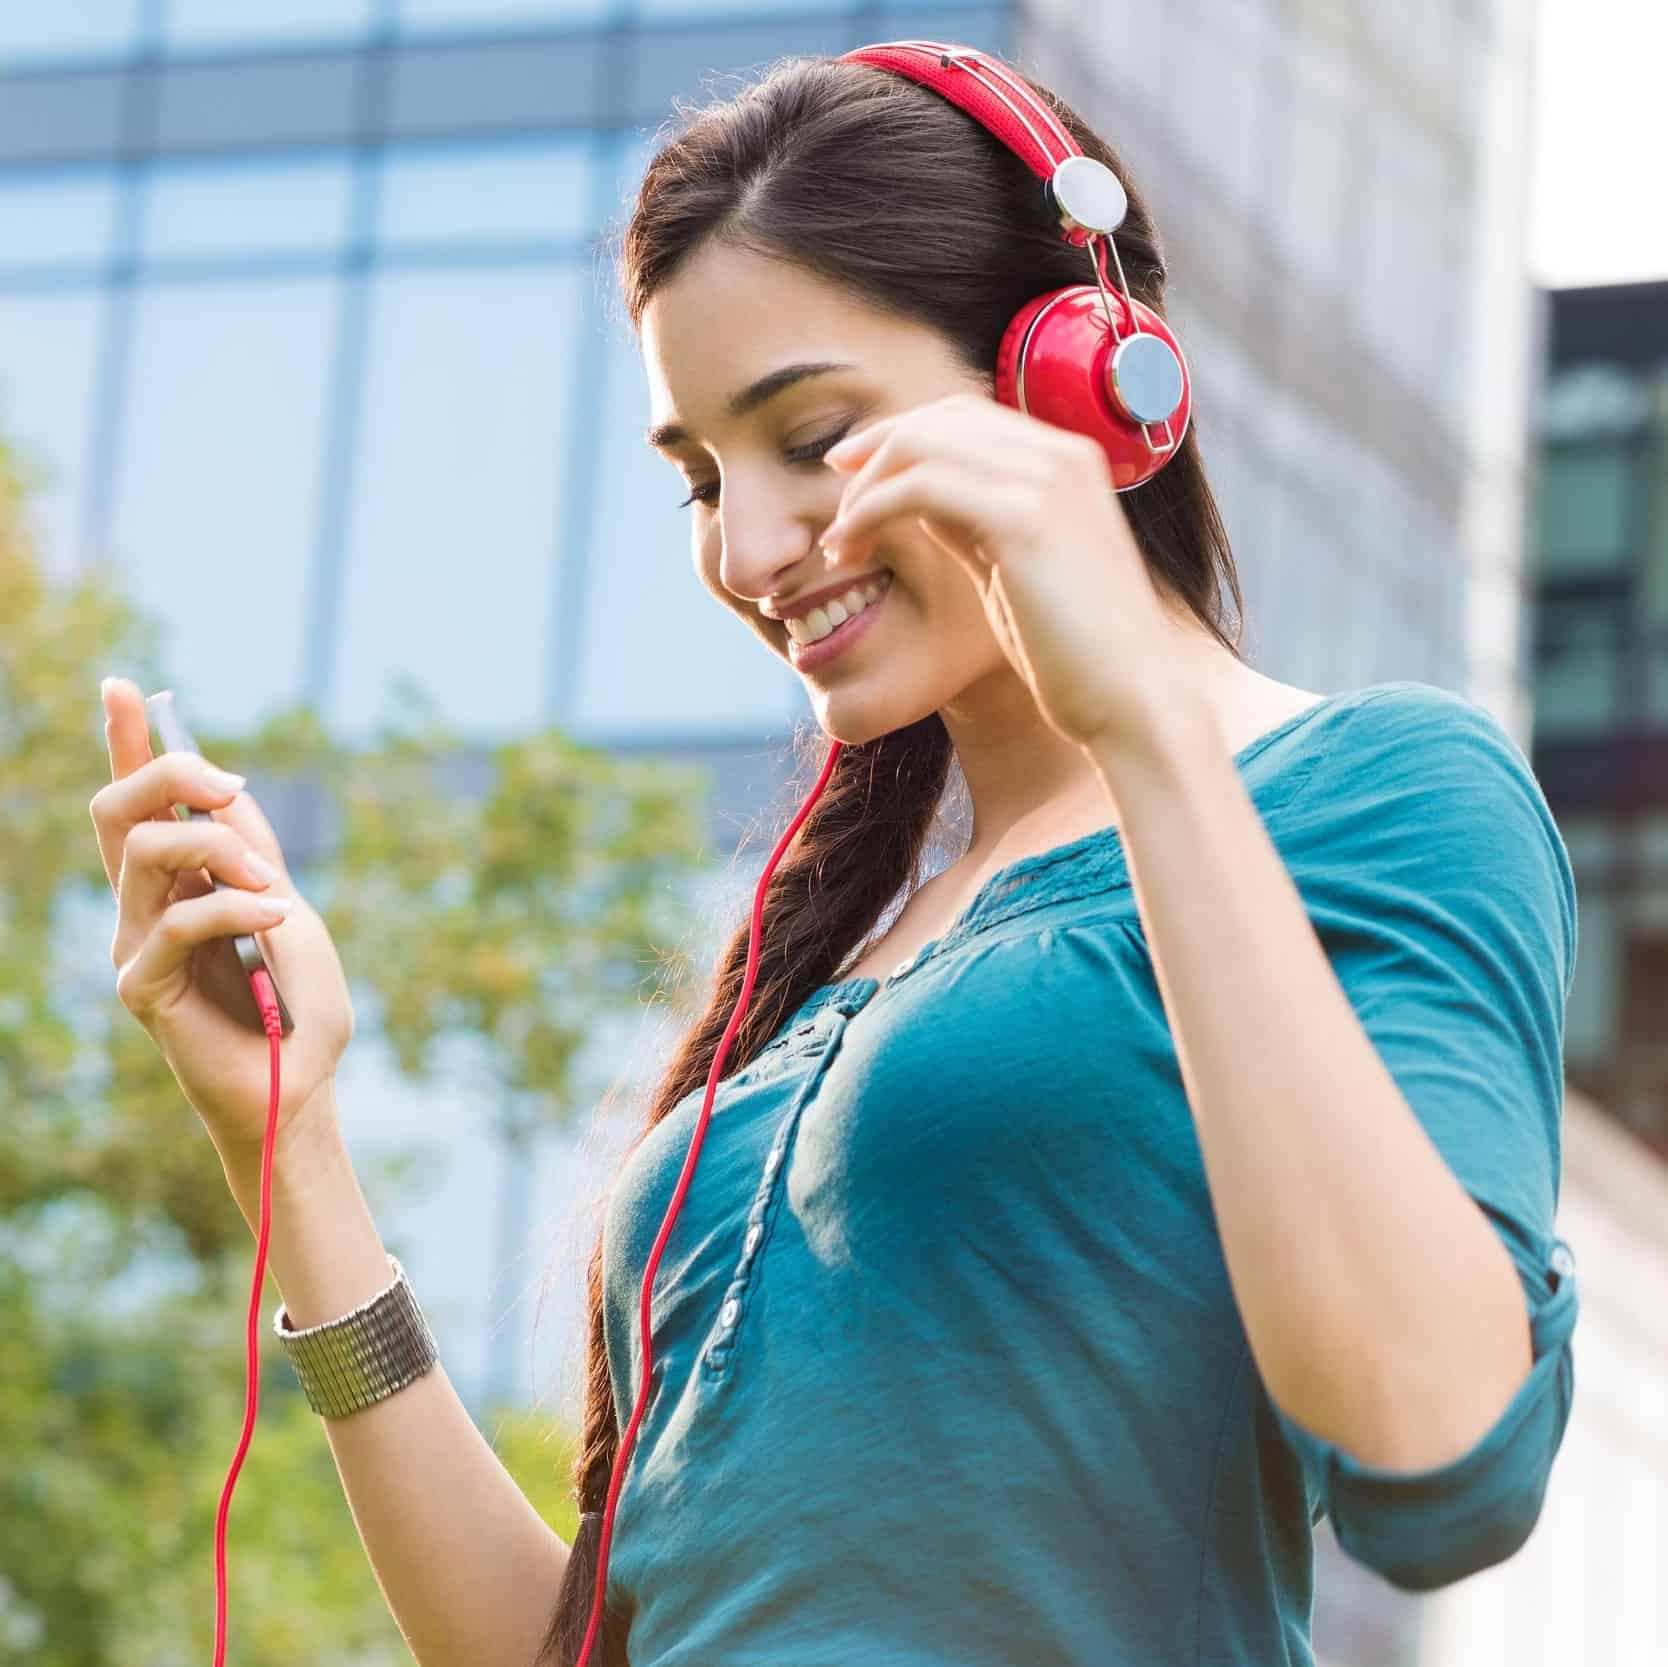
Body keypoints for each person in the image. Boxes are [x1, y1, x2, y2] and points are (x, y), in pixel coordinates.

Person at [90, 46, 1581, 1667]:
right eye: (703, 479)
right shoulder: (838, 964)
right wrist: (292, 1162)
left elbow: (1445, 1465)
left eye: (813, 435)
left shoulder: (1374, 791)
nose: (744, 550)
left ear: (1070, 375)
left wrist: (1144, 726)